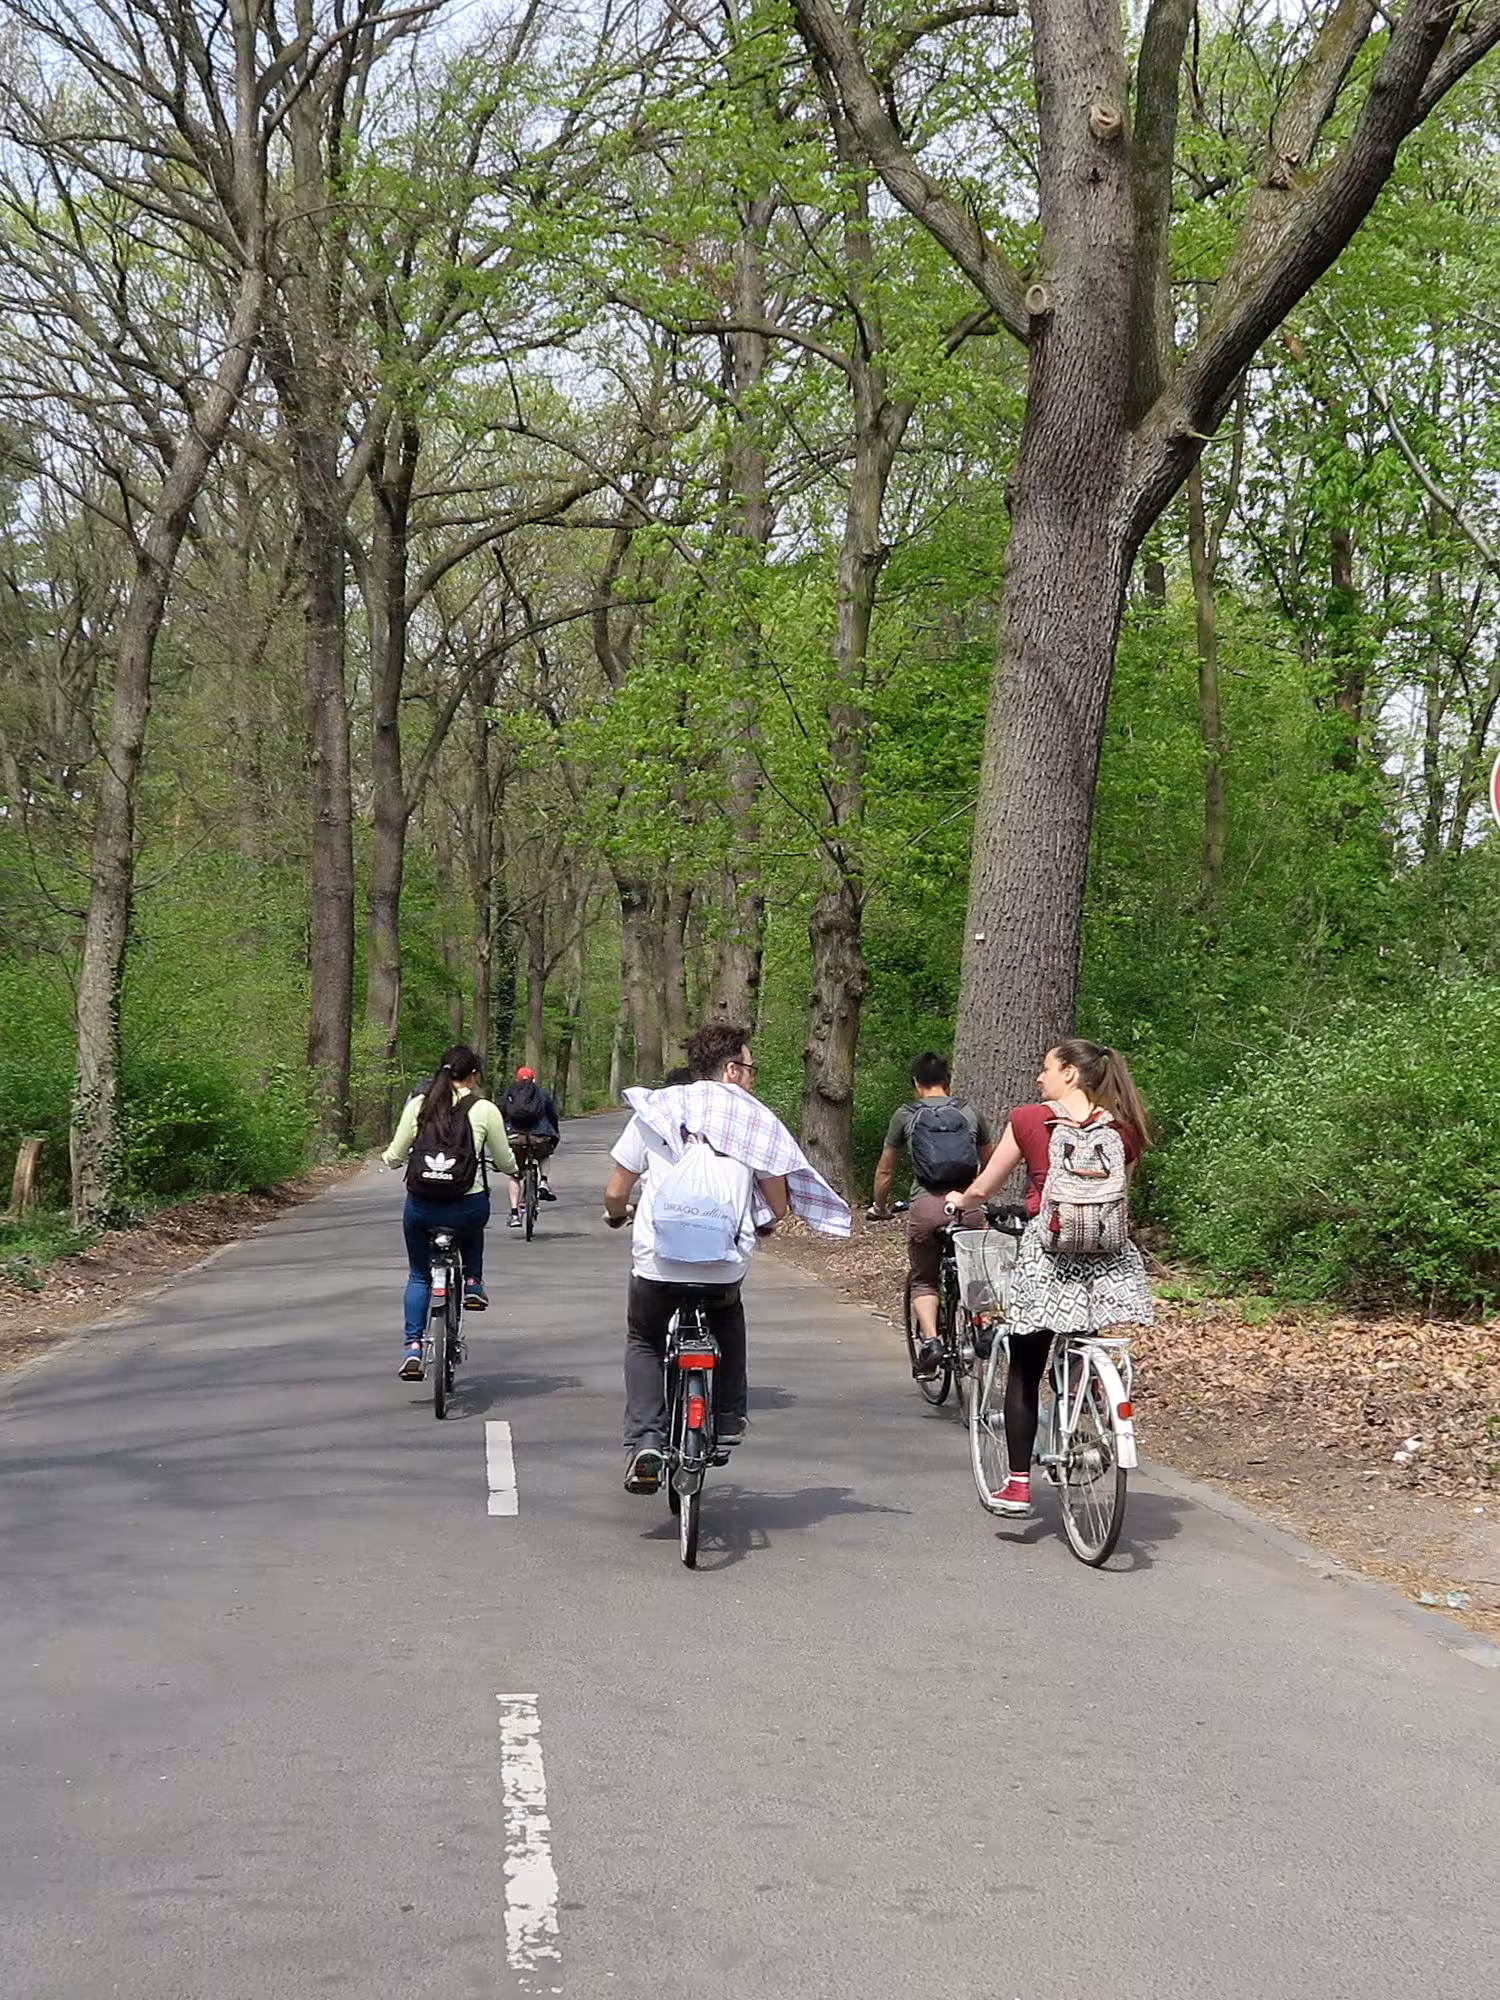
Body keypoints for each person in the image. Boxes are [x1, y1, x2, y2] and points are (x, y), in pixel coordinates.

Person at [602, 1021, 850, 1495]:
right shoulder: (755, 1119)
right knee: (727, 1317)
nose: (753, 1079)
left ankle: (646, 1441)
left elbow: (617, 1192)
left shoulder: (656, 1109)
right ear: (732, 1070)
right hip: (722, 1261)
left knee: (645, 1340)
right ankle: (729, 1416)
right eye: (751, 1068)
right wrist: (755, 1217)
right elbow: (777, 1204)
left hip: (657, 1261)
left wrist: (618, 1215)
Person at [944, 1039, 1154, 1516]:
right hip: (1104, 1259)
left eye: (1047, 1069)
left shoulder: (1029, 1120)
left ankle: (1018, 1485)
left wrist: (961, 1200)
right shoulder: (1123, 1130)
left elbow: (986, 1186)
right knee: (1083, 1341)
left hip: (1048, 1255)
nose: (1040, 1078)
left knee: (1025, 1365)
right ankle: (1088, 1400)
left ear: (1070, 1075)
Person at [382, 1045, 517, 1380]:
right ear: (474, 1075)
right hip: (465, 1205)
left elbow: (397, 1152)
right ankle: (472, 1282)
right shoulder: (484, 1109)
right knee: (474, 1221)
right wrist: (512, 1169)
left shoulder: (419, 1104)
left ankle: (412, 1347)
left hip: (422, 1207)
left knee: (418, 1275)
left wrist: (389, 1160)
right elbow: (503, 1159)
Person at [868, 1052, 996, 1379]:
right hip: (966, 1207)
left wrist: (879, 1207)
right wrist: (977, 1199)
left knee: (924, 1278)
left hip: (925, 1206)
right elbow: (991, 1165)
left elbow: (885, 1170)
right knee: (975, 1271)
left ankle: (933, 1341)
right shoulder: (969, 1112)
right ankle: (981, 1325)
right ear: (947, 1080)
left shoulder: (905, 1115)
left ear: (916, 1084)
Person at [499, 1064, 560, 1226]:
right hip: (539, 1137)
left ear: (516, 1079)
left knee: (515, 1174)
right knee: (545, 1154)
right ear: (534, 1079)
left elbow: (502, 1115)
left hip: (515, 1137)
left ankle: (514, 1214)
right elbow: (552, 1115)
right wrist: (554, 1133)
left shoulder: (509, 1093)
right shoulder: (542, 1093)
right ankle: (543, 1182)